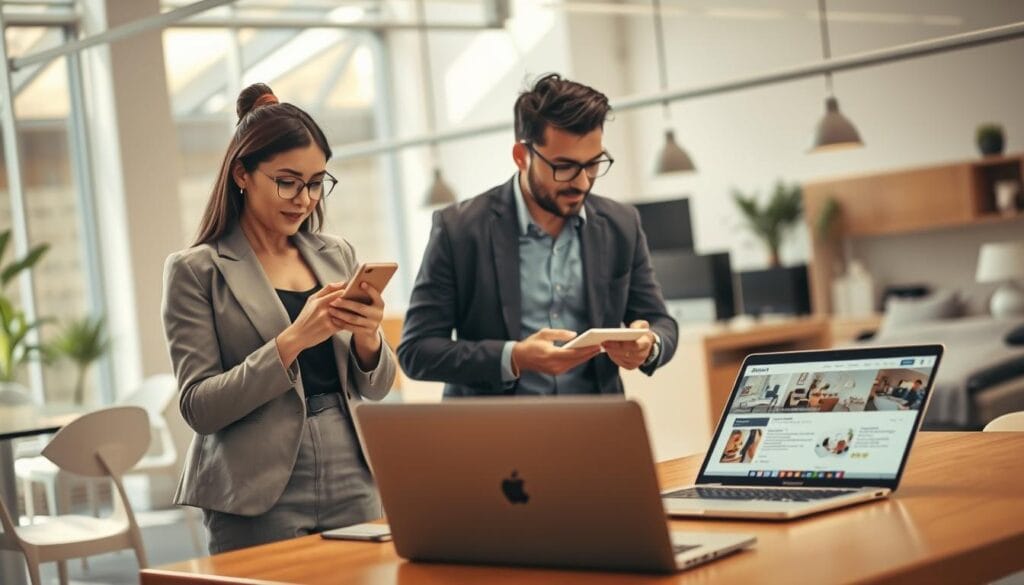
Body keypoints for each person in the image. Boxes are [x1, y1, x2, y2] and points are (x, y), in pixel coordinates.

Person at [161, 83, 397, 553]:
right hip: (255, 486)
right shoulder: (196, 270)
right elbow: (199, 407)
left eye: (316, 183)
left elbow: (376, 387)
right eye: (287, 182)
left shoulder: (336, 254)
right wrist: (292, 340)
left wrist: (369, 336)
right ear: (242, 174)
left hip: (352, 468)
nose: (304, 199)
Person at [398, 74, 677, 397]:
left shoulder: (621, 224)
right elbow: (416, 351)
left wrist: (649, 344)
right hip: (495, 425)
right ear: (521, 156)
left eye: (593, 164)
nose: (582, 182)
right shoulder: (459, 229)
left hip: (596, 420)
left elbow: (661, 323)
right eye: (564, 167)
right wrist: (513, 357)